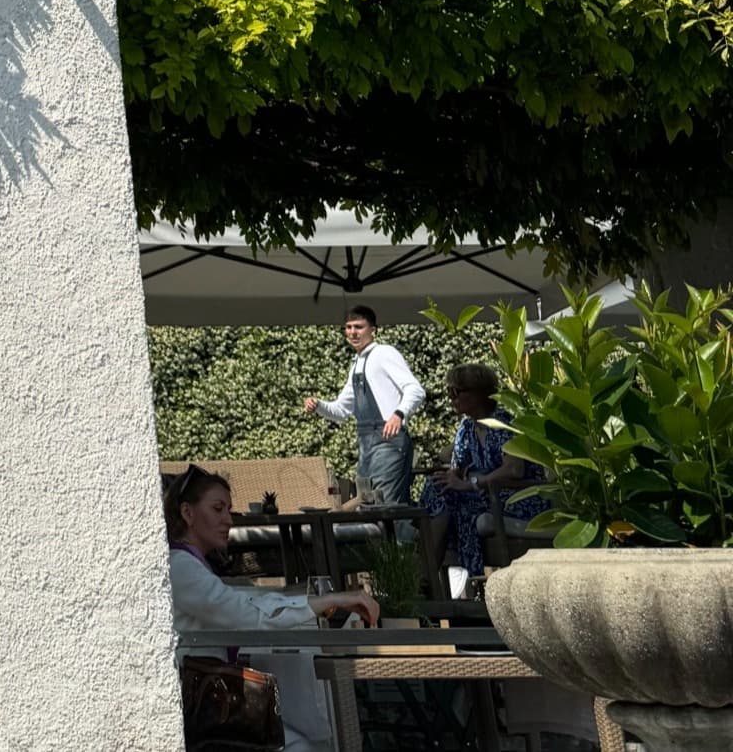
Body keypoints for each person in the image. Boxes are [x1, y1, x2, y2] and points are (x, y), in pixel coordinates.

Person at [165, 465, 379, 752]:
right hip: (203, 712)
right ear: (188, 513)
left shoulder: (190, 564)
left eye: (229, 510)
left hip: (216, 703)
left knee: (301, 738)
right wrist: (326, 601)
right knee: (301, 745)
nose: (228, 519)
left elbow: (243, 604)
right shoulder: (180, 567)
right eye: (218, 509)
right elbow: (242, 612)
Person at [420, 363, 545, 590]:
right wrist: (449, 478)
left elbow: (513, 470)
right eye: (449, 392)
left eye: (456, 392)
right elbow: (457, 467)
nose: (451, 398)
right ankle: (430, 574)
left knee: (449, 502)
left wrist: (471, 484)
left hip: (516, 497)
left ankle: (426, 575)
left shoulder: (503, 422)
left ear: (479, 393)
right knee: (437, 489)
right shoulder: (467, 427)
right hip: (486, 496)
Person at [303, 304, 426, 506]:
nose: (353, 332)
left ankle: (399, 538)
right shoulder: (357, 363)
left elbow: (415, 389)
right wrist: (318, 405)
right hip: (365, 443)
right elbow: (341, 410)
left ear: (373, 330)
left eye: (359, 327)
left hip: (388, 441)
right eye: (349, 327)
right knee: (367, 502)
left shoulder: (384, 353)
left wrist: (398, 414)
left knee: (385, 505)